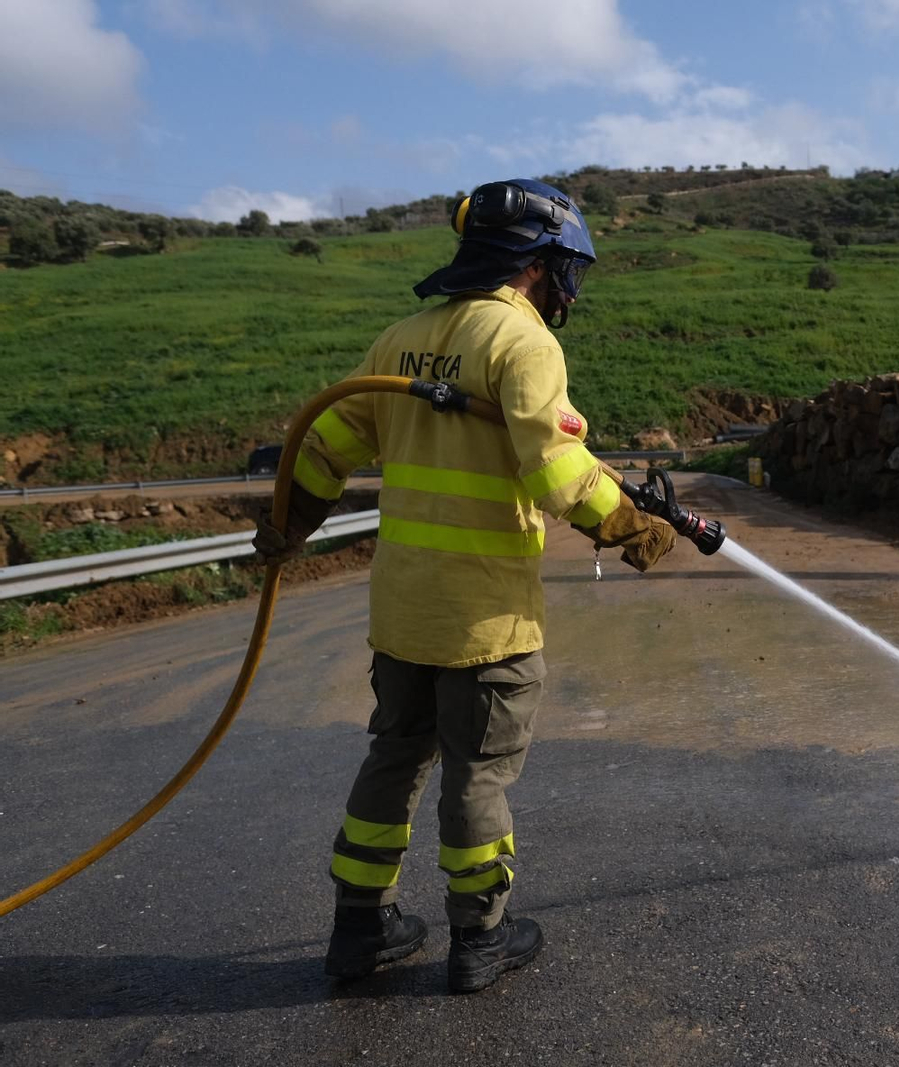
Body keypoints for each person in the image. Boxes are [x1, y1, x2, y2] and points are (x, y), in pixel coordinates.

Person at [254, 178, 676, 994]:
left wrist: (290, 523)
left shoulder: (401, 340)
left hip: (404, 611)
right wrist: (632, 526)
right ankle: (480, 937)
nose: (568, 287)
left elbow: (323, 443)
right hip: (487, 620)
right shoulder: (522, 344)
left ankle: (359, 926)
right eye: (565, 269)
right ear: (538, 264)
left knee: (395, 755)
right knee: (478, 772)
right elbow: (556, 471)